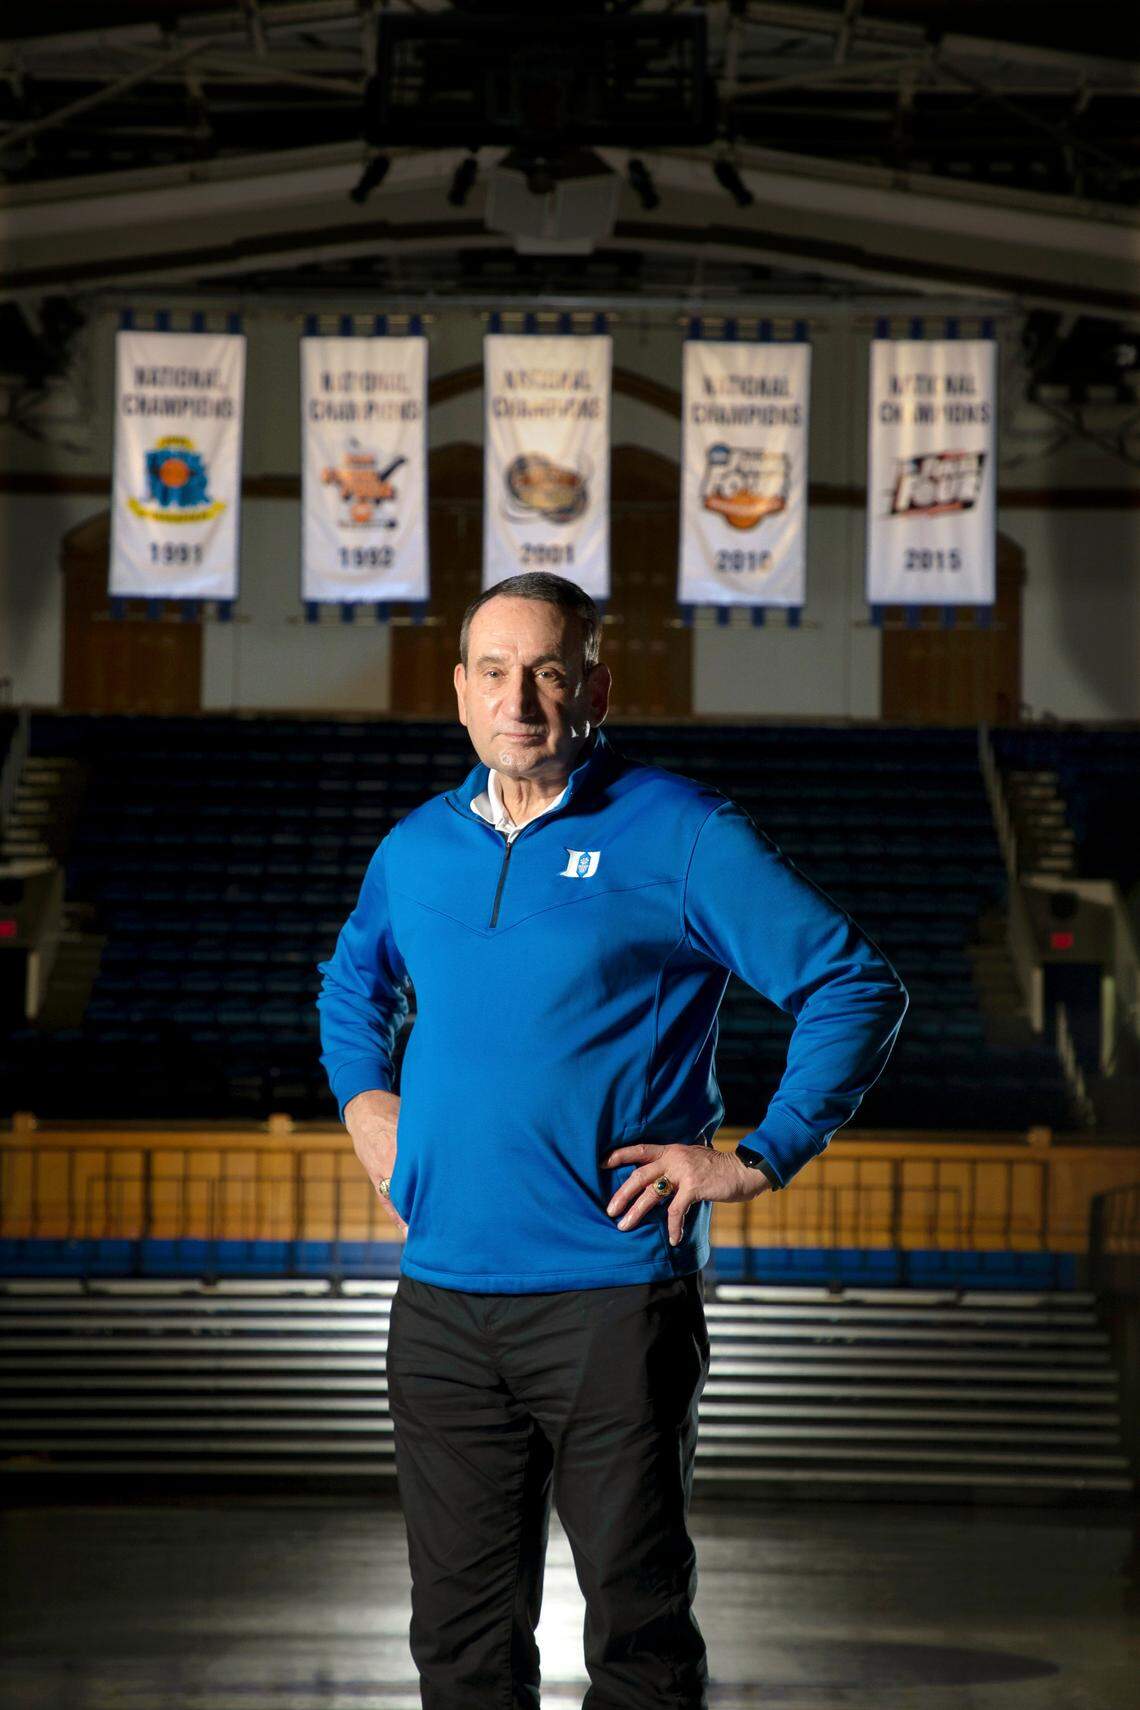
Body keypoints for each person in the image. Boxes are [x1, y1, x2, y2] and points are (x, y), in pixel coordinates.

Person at [316, 571, 909, 1710]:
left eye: (548, 671)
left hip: (611, 1302)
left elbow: (852, 983)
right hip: (441, 1309)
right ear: (459, 690)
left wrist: (755, 1154)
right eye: (494, 672)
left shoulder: (678, 832)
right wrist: (362, 1101)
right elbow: (354, 986)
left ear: (595, 687)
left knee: (636, 1641)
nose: (520, 699)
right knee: (457, 1646)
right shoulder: (415, 849)